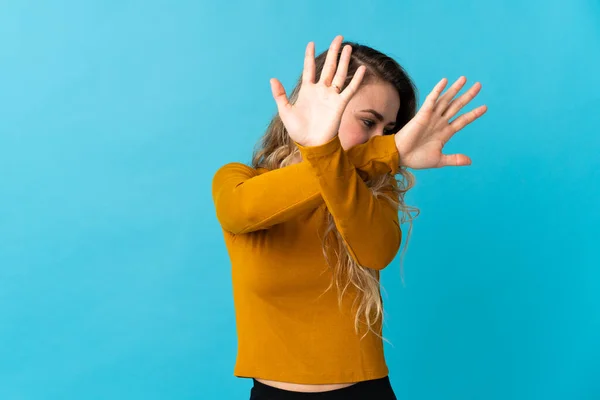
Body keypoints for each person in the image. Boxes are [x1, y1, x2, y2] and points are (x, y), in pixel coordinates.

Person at [211, 35, 487, 399]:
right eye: (369, 122)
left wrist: (336, 154)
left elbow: (377, 251)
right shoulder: (238, 180)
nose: (379, 139)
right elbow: (242, 211)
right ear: (321, 104)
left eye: (388, 131)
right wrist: (389, 150)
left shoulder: (373, 192)